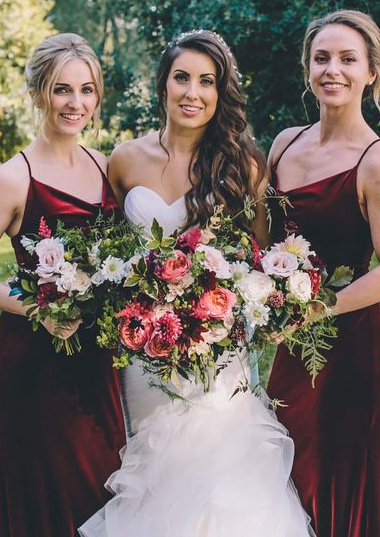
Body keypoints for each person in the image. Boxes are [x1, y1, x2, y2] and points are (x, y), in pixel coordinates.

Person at [79, 29, 314, 537]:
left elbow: (256, 259)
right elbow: (111, 253)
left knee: (219, 482)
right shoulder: (124, 159)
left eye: (207, 82)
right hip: (143, 350)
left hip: (217, 354)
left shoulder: (243, 165)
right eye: (181, 78)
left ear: (220, 91)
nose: (192, 92)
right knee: (153, 476)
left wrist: (219, 313)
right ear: (162, 84)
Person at [0, 33, 125, 536]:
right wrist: (39, 308)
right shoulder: (12, 179)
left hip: (97, 359)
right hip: (34, 365)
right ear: (37, 94)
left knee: (101, 492)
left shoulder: (103, 166)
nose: (76, 104)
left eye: (87, 90)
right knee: (50, 496)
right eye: (62, 90)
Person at [267, 10, 380, 536]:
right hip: (291, 344)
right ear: (308, 67)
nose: (333, 69)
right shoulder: (283, 144)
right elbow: (264, 242)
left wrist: (313, 309)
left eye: (348, 59)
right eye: (322, 57)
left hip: (351, 350)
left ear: (371, 72)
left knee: (341, 487)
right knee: (284, 473)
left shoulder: (378, 163)